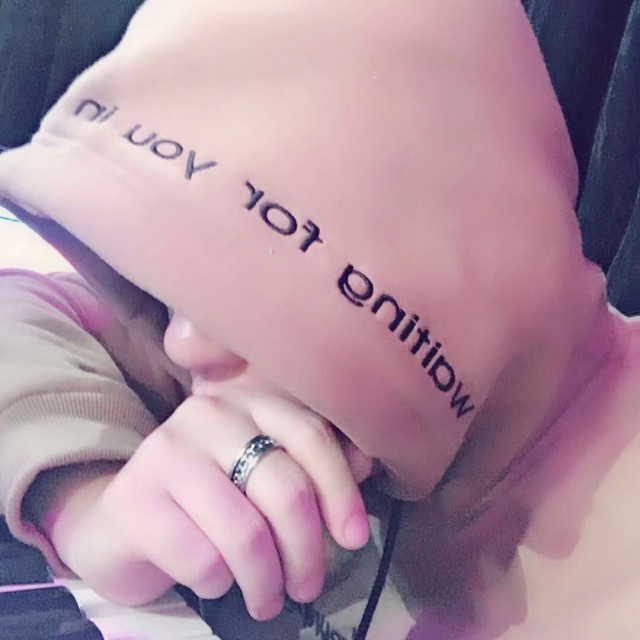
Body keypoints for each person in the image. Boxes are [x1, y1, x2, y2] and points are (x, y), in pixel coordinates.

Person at [0, 1, 638, 638]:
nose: (182, 342)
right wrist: (83, 504)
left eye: (245, 279)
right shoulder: (229, 364)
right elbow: (21, 307)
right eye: (171, 276)